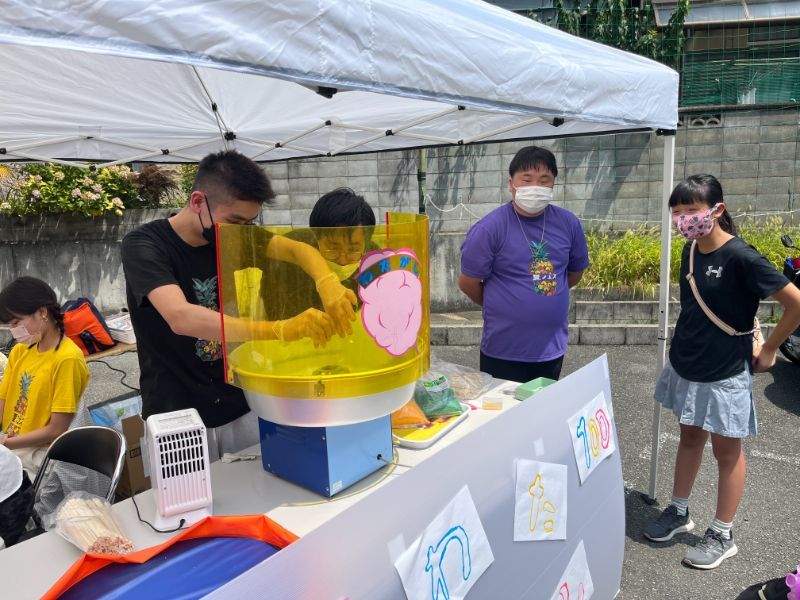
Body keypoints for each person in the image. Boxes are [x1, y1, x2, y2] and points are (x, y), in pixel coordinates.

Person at [121, 151, 357, 461]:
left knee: (258, 483)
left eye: (248, 223)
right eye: (234, 221)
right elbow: (181, 317)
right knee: (190, 494)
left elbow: (298, 250)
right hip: (176, 412)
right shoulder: (145, 245)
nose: (242, 231)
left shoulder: (236, 236)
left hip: (238, 399)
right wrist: (280, 329)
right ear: (198, 202)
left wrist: (327, 282)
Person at [643, 174, 800, 569]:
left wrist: (769, 348)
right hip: (688, 363)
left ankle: (722, 533)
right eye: (677, 212)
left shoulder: (741, 256)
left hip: (726, 370)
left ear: (717, 210)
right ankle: (679, 511)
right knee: (689, 437)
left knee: (726, 452)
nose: (683, 219)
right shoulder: (690, 250)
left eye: (691, 210)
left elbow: (795, 302)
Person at [458, 145, 589, 382]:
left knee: (544, 404)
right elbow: (468, 282)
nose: (535, 187)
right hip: (502, 350)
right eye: (527, 179)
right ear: (512, 184)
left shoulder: (569, 224)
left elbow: (574, 273)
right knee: (501, 405)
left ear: (553, 184)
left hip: (551, 349)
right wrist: (500, 303)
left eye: (544, 180)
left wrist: (547, 294)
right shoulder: (489, 228)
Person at [0, 277, 89, 479]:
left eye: (16, 322)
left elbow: (56, 430)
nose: (14, 331)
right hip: (11, 446)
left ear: (42, 312)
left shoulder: (67, 359)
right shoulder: (20, 351)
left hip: (37, 456)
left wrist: (6, 443)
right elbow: (2, 403)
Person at [263, 187, 377, 320]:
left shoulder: (374, 261)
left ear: (366, 244)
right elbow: (276, 313)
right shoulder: (286, 254)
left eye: (353, 250)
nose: (342, 260)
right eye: (333, 248)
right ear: (316, 237)